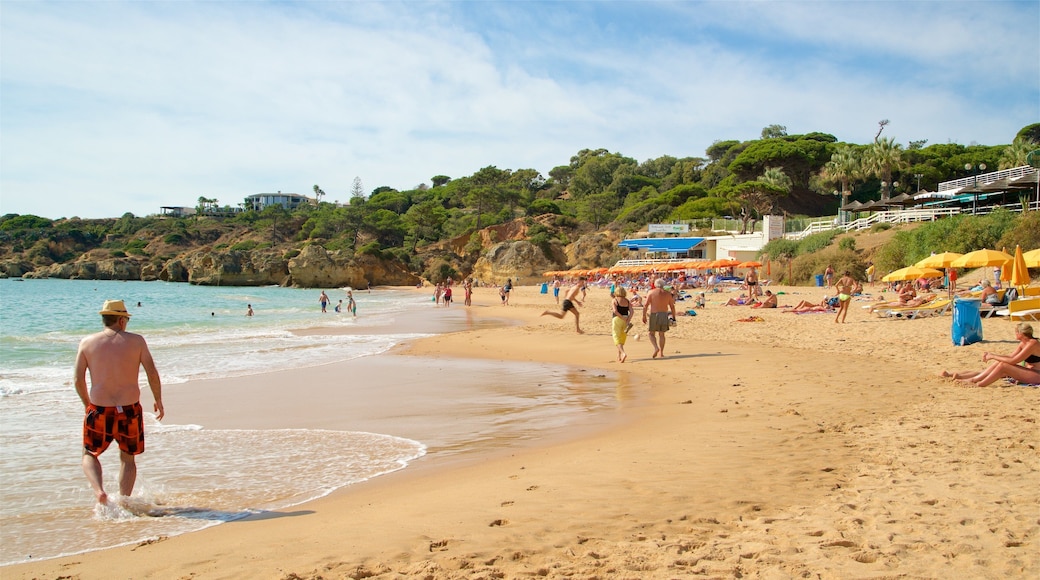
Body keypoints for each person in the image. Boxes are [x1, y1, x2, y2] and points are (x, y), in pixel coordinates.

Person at [74, 300, 163, 505]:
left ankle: (100, 492)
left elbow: (78, 379)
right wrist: (158, 399)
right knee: (128, 458)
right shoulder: (137, 341)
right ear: (122, 320)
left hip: (99, 408)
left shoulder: (87, 342)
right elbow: (152, 372)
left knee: (89, 454)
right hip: (130, 408)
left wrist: (87, 403)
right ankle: (124, 500)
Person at [941, 323, 1040, 387]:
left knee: (1003, 366)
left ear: (1020, 333)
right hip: (1029, 372)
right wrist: (993, 355)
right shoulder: (1023, 343)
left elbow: (1014, 360)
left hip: (1037, 375)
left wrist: (992, 356)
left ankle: (979, 383)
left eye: (1016, 332)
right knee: (998, 364)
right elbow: (1010, 357)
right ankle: (961, 376)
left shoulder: (1032, 343)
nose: (1015, 334)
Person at [642, 278, 677, 359]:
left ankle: (656, 347)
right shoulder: (667, 294)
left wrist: (644, 315)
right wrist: (674, 317)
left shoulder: (651, 292)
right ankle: (661, 352)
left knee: (651, 333)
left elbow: (646, 305)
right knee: (662, 334)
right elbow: (672, 306)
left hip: (654, 314)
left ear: (655, 284)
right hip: (664, 314)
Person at [611, 287, 634, 363]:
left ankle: (623, 353)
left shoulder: (615, 300)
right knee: (622, 336)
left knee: (616, 337)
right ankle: (619, 355)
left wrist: (622, 318)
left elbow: (615, 311)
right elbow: (632, 311)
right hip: (626, 319)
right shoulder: (627, 301)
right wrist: (628, 319)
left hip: (617, 319)